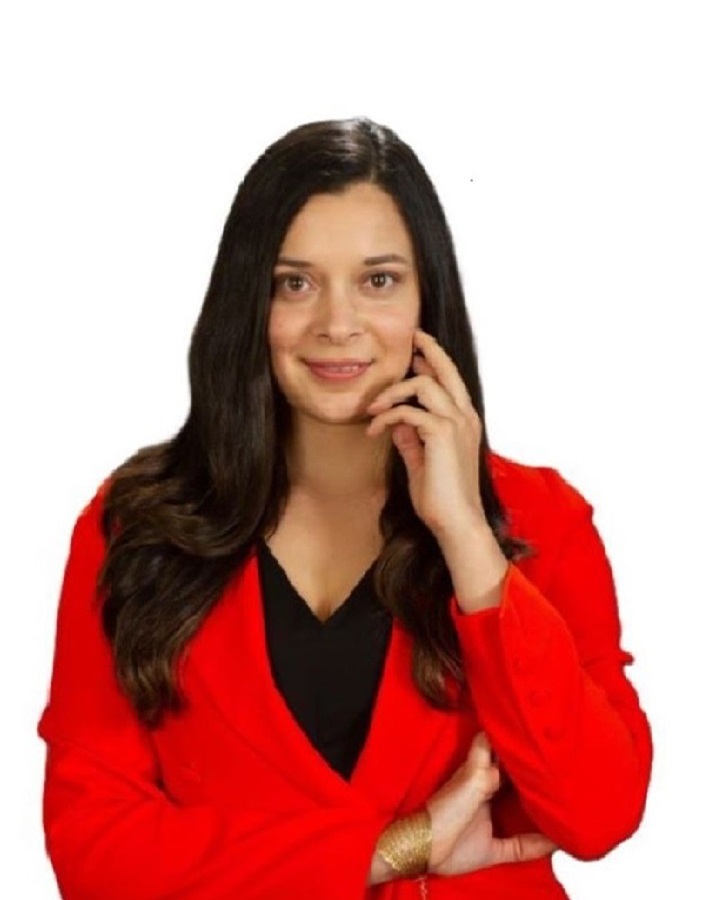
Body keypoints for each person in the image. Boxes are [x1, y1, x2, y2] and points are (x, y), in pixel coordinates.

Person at [37, 116, 653, 899]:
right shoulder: (138, 528)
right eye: (295, 283)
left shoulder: (542, 520)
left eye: (378, 280)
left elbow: (599, 814)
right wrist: (392, 849)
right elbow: (93, 851)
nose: (336, 324)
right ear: (248, 304)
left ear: (428, 298)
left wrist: (467, 537)